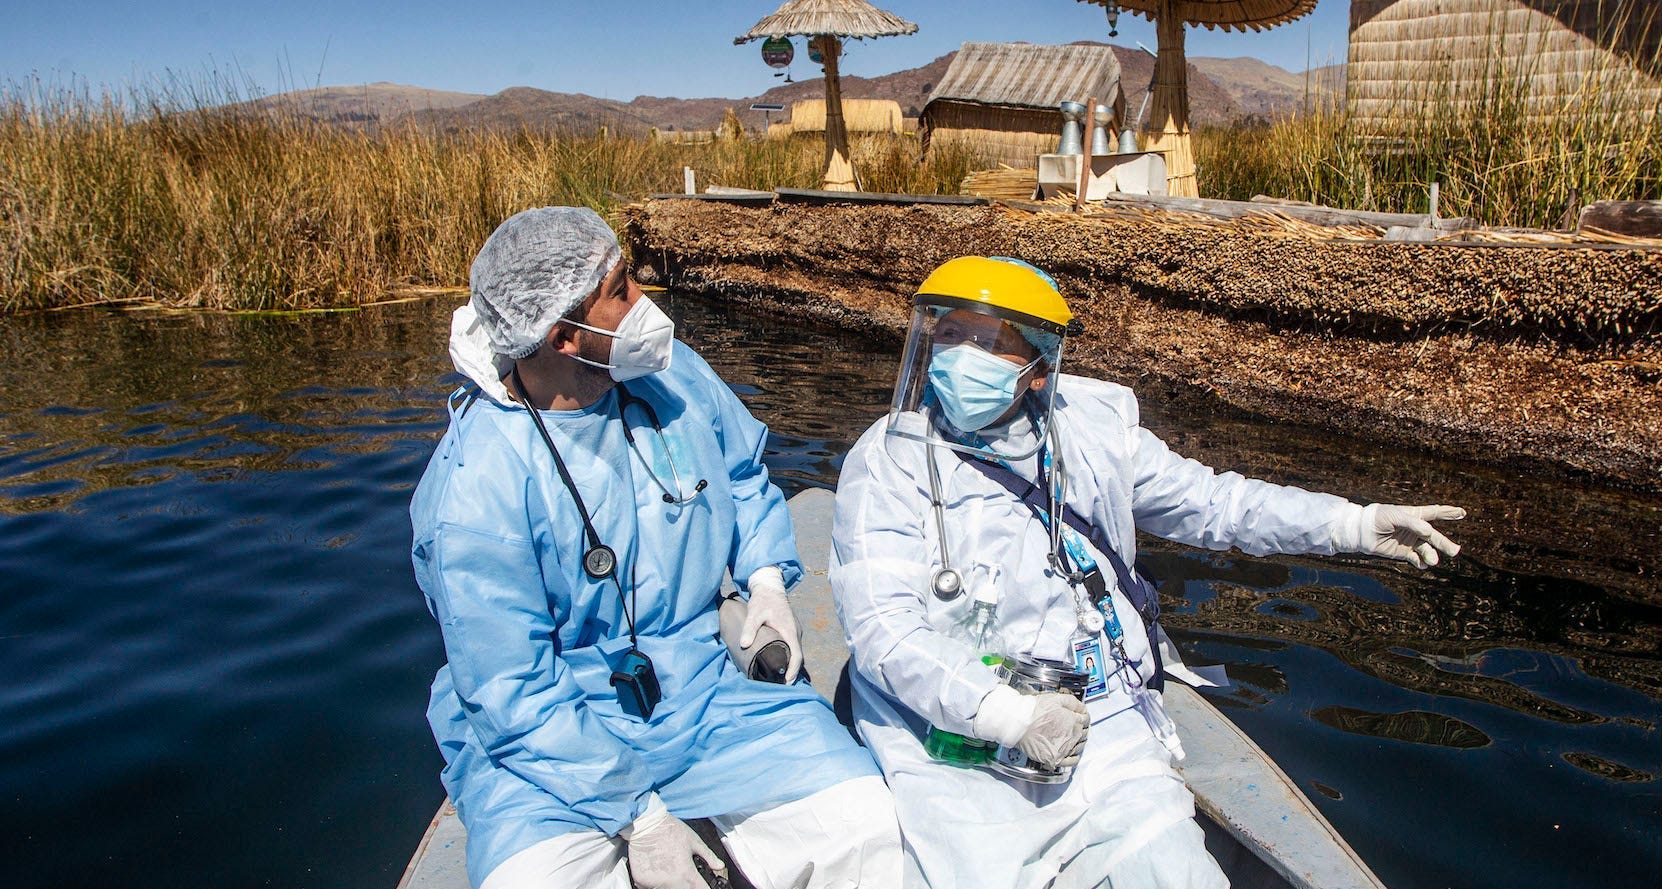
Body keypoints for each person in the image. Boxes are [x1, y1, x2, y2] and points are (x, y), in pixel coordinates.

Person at [829, 255, 1465, 889]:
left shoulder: (1094, 432)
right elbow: (885, 629)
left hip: (1103, 718)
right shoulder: (889, 461)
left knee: (1174, 868)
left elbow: (1217, 505)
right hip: (953, 735)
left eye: (990, 340)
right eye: (948, 334)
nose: (960, 356)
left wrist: (1351, 525)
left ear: (1039, 369)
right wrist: (1003, 714)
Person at [411, 207, 901, 889]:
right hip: (558, 735)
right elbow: (513, 691)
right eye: (621, 290)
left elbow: (740, 471)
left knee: (866, 826)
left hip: (705, 687)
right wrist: (637, 813)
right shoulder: (476, 487)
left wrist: (762, 579)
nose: (644, 302)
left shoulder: (668, 373)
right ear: (563, 337)